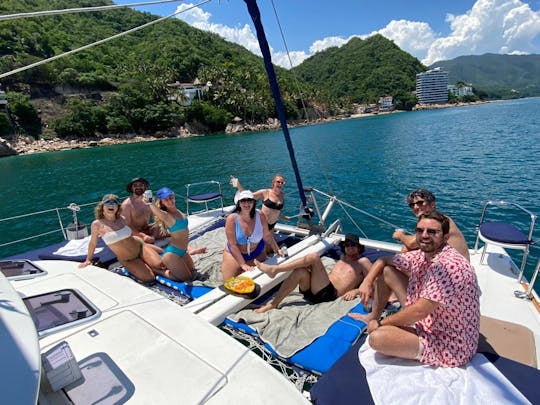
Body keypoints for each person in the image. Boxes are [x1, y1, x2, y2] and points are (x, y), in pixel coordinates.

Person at [349, 211, 480, 367]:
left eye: (432, 232)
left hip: (450, 342)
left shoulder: (449, 266)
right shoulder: (423, 255)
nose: (424, 235)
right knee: (388, 272)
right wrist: (367, 281)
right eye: (420, 230)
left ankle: (379, 323)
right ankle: (373, 316)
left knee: (377, 338)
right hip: (430, 318)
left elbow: (420, 311)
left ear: (445, 237)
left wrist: (381, 323)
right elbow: (383, 260)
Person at [254, 233, 371, 313]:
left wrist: (355, 291)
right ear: (344, 246)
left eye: (353, 245)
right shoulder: (342, 257)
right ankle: (273, 304)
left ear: (359, 247)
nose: (350, 247)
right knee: (300, 271)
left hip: (329, 294)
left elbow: (373, 280)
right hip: (314, 290)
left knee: (314, 257)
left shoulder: (362, 262)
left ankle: (275, 270)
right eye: (347, 245)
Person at [79, 194, 164, 283]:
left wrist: (144, 238)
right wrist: (88, 260)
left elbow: (131, 234)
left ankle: (149, 255)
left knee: (160, 265)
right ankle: (149, 264)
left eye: (114, 203)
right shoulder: (97, 224)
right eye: (108, 202)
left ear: (118, 207)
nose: (111, 205)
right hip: (128, 259)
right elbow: (93, 243)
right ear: (102, 206)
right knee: (149, 278)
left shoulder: (122, 219)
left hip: (140, 247)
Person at [145, 187, 205, 282]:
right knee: (187, 279)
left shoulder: (178, 211)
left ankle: (170, 267)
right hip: (172, 254)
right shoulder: (167, 216)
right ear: (162, 202)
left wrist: (191, 250)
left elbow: (184, 234)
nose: (170, 201)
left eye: (171, 197)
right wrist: (150, 202)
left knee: (193, 273)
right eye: (166, 199)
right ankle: (158, 271)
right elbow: (158, 212)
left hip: (183, 251)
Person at [392, 188, 470, 261]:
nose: (415, 207)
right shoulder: (435, 219)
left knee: (389, 265)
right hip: (446, 264)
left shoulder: (441, 221)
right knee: (407, 250)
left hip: (453, 270)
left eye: (420, 203)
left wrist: (399, 235)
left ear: (432, 204)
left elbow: (411, 243)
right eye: (412, 205)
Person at [221, 190, 283, 280]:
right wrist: (243, 264)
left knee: (259, 278)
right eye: (243, 201)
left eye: (249, 200)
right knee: (228, 281)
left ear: (254, 202)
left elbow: (267, 235)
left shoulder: (260, 215)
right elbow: (232, 245)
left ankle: (247, 266)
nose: (246, 203)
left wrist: (277, 249)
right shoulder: (232, 219)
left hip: (257, 252)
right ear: (239, 203)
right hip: (236, 253)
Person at [121, 177, 164, 244]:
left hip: (147, 229)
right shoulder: (127, 205)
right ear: (132, 188)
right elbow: (127, 226)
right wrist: (143, 236)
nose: (138, 187)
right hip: (134, 233)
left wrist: (153, 236)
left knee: (169, 229)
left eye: (141, 185)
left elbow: (157, 217)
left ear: (145, 187)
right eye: (135, 186)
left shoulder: (149, 200)